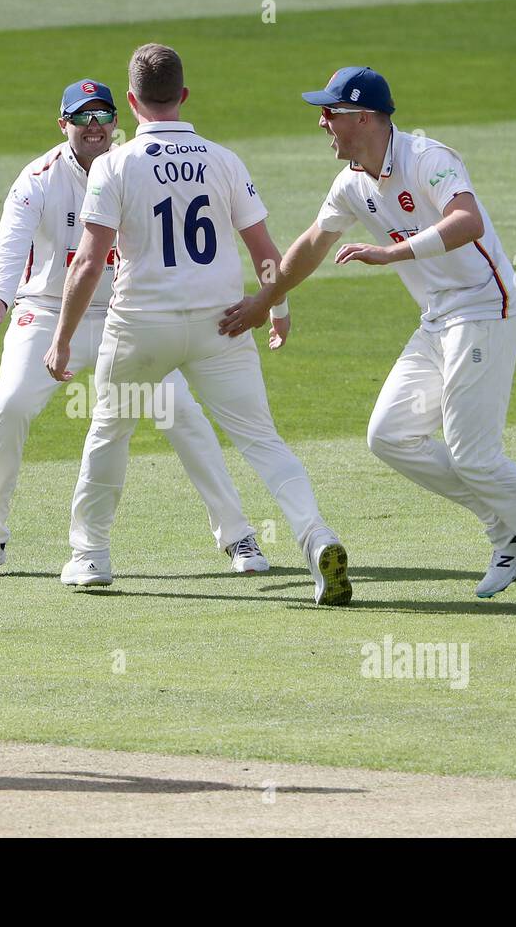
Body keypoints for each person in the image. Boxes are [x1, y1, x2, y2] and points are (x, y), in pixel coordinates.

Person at [224, 66, 516, 614]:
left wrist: (392, 253)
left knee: (476, 455)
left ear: (363, 116)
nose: (322, 122)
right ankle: (506, 531)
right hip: (438, 318)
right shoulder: (351, 183)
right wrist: (266, 302)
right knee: (390, 435)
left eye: (330, 113)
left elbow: (468, 221)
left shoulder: (427, 158)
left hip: (486, 307)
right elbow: (313, 244)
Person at [45, 46, 351, 606]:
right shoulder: (223, 159)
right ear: (184, 96)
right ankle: (317, 537)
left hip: (142, 326)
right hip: (224, 322)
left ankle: (90, 557)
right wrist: (276, 307)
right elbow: (263, 250)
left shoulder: (114, 164)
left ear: (131, 102)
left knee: (110, 431)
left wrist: (62, 339)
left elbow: (90, 262)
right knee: (262, 441)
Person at [0, 78, 269, 581]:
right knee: (9, 406)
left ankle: (237, 535)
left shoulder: (132, 165)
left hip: (122, 317)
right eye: (82, 118)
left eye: (103, 115)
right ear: (64, 126)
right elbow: (12, 241)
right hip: (46, 310)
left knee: (182, 414)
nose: (95, 126)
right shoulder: (37, 177)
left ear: (117, 119)